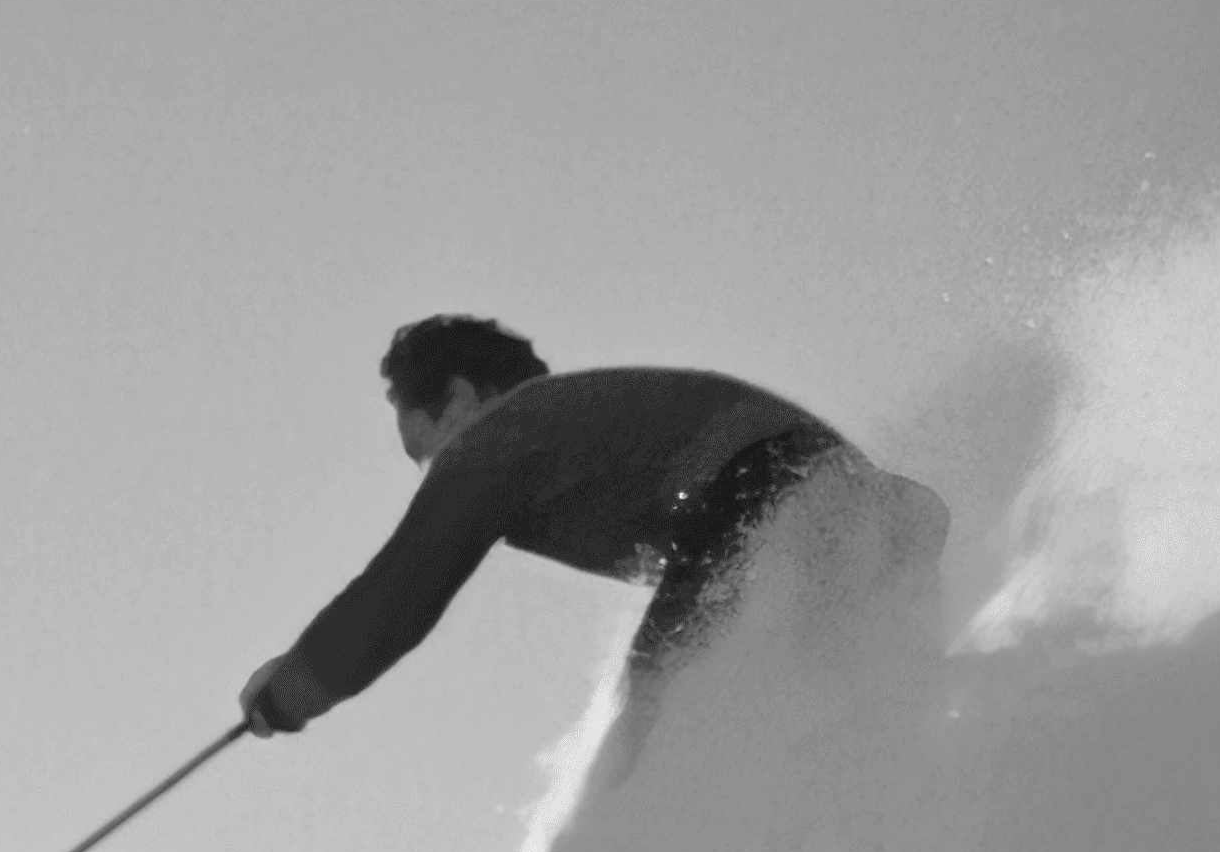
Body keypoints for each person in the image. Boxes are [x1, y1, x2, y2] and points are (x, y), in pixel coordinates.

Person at [239, 316, 947, 770]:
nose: (436, 478)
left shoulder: (502, 434)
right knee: (831, 742)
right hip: (853, 510)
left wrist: (293, 687)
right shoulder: (584, 421)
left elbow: (405, 587)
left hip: (759, 505)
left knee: (656, 736)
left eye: (426, 452)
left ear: (458, 398)